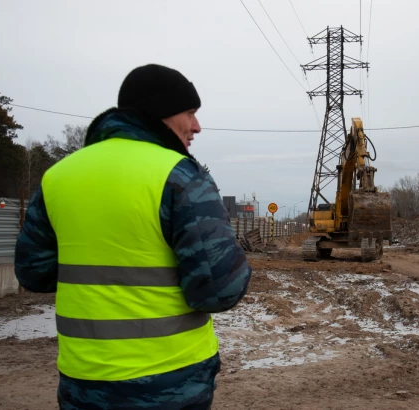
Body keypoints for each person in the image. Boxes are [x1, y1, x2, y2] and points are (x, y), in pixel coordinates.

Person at [15, 64, 252, 409]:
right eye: (190, 113)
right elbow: (218, 291)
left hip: (83, 379)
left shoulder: (57, 176)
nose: (197, 126)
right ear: (162, 113)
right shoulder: (180, 176)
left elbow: (33, 272)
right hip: (169, 379)